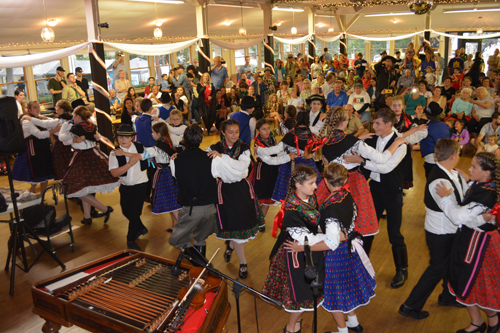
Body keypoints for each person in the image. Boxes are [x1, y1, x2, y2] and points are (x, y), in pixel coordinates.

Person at [285, 163, 376, 333]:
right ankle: (354, 323)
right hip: (349, 251)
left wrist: (304, 249)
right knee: (347, 289)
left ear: (325, 181)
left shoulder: (330, 207)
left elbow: (332, 242)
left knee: (335, 295)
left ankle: (342, 331)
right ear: (345, 178)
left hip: (337, 255)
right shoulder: (346, 195)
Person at [317, 106, 406, 252]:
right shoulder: (354, 142)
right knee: (354, 224)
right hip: (352, 185)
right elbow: (382, 159)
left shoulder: (326, 141)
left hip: (330, 183)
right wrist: (396, 143)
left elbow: (341, 144)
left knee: (331, 222)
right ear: (345, 122)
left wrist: (357, 139)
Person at [399, 139, 467, 320]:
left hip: (447, 231)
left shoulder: (450, 173)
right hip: (440, 233)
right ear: (453, 156)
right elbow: (454, 213)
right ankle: (410, 305)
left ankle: (448, 296)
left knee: (449, 265)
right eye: (459, 154)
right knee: (437, 268)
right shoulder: (439, 181)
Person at [434, 152, 500, 333]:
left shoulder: (486, 195)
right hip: (470, 239)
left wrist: (445, 197)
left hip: (479, 245)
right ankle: (477, 322)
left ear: (487, 173)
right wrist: (469, 179)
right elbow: (473, 216)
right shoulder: (486, 185)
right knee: (465, 282)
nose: (469, 169)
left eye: (474, 167)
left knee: (475, 283)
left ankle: (492, 319)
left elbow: (458, 217)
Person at [346, 108, 409, 288]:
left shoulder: (400, 143)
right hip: (374, 188)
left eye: (378, 124)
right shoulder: (373, 139)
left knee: (394, 232)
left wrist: (361, 161)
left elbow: (386, 167)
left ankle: (402, 269)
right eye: (374, 123)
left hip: (392, 190)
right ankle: (361, 268)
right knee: (366, 229)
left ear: (389, 124)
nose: (374, 127)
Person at [262, 165, 325, 333]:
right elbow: (306, 239)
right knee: (301, 293)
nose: (315, 186)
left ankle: (294, 324)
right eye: (311, 183)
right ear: (298, 185)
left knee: (309, 290)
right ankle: (291, 328)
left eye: (315, 182)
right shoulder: (291, 209)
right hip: (296, 254)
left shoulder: (310, 198)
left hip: (307, 250)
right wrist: (329, 237)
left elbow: (315, 223)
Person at [207, 119, 264, 279]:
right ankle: (243, 262)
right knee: (235, 226)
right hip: (224, 192)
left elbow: (242, 169)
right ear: (223, 133)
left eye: (236, 132)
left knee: (240, 227)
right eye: (230, 132)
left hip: (241, 191)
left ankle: (231, 245)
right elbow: (210, 168)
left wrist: (222, 159)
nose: (234, 135)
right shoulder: (213, 148)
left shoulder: (244, 148)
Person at [59, 105, 117, 225]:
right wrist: (73, 140)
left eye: (74, 115)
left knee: (80, 188)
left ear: (77, 116)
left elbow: (97, 135)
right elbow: (62, 138)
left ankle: (103, 210)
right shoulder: (69, 125)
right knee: (81, 188)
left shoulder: (89, 123)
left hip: (90, 156)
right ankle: (88, 216)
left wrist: (97, 136)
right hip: (82, 157)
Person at [168, 125, 217, 262]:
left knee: (176, 240)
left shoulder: (176, 160)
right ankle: (201, 268)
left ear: (184, 139)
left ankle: (202, 264)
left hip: (191, 208)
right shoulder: (211, 158)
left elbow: (177, 177)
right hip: (210, 208)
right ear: (201, 140)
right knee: (200, 238)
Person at [256, 111, 322, 203]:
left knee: (290, 195)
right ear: (308, 120)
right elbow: (318, 155)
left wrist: (259, 150)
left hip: (292, 165)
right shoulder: (312, 133)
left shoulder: (292, 134)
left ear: (296, 120)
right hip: (308, 165)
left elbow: (276, 149)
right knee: (309, 192)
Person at [108, 125, 149, 251]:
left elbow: (147, 156)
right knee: (126, 211)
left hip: (141, 185)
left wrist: (127, 154)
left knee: (135, 212)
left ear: (132, 137)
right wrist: (130, 164)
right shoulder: (114, 152)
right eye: (120, 137)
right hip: (125, 187)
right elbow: (114, 173)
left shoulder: (140, 147)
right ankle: (141, 227)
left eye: (126, 137)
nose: (123, 140)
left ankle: (130, 239)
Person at [12, 101, 58, 194]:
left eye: (38, 107)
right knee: (35, 179)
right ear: (29, 110)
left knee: (45, 176)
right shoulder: (26, 121)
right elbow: (39, 134)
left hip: (43, 149)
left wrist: (40, 116)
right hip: (33, 151)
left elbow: (50, 121)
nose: (37, 109)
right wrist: (55, 130)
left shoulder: (36, 118)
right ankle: (33, 200)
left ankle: (42, 198)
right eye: (35, 107)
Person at [252, 119, 295, 218]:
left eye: (268, 128)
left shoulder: (272, 139)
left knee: (267, 199)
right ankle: (256, 221)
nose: (267, 131)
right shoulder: (257, 144)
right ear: (258, 131)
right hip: (262, 173)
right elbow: (269, 160)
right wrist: (287, 157)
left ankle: (261, 222)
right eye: (263, 129)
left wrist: (287, 153)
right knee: (260, 199)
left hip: (273, 171)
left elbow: (277, 153)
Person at [24, 99, 73, 181]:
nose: (55, 108)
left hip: (61, 146)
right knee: (68, 165)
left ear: (61, 109)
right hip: (68, 145)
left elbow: (44, 123)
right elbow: (50, 121)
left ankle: (66, 186)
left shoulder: (59, 121)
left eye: (56, 106)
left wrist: (26, 117)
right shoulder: (69, 118)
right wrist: (41, 117)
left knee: (62, 166)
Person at [419, 102, 450, 178]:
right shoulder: (445, 126)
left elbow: (413, 141)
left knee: (431, 183)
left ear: (426, 115)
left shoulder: (425, 128)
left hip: (431, 160)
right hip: (445, 159)